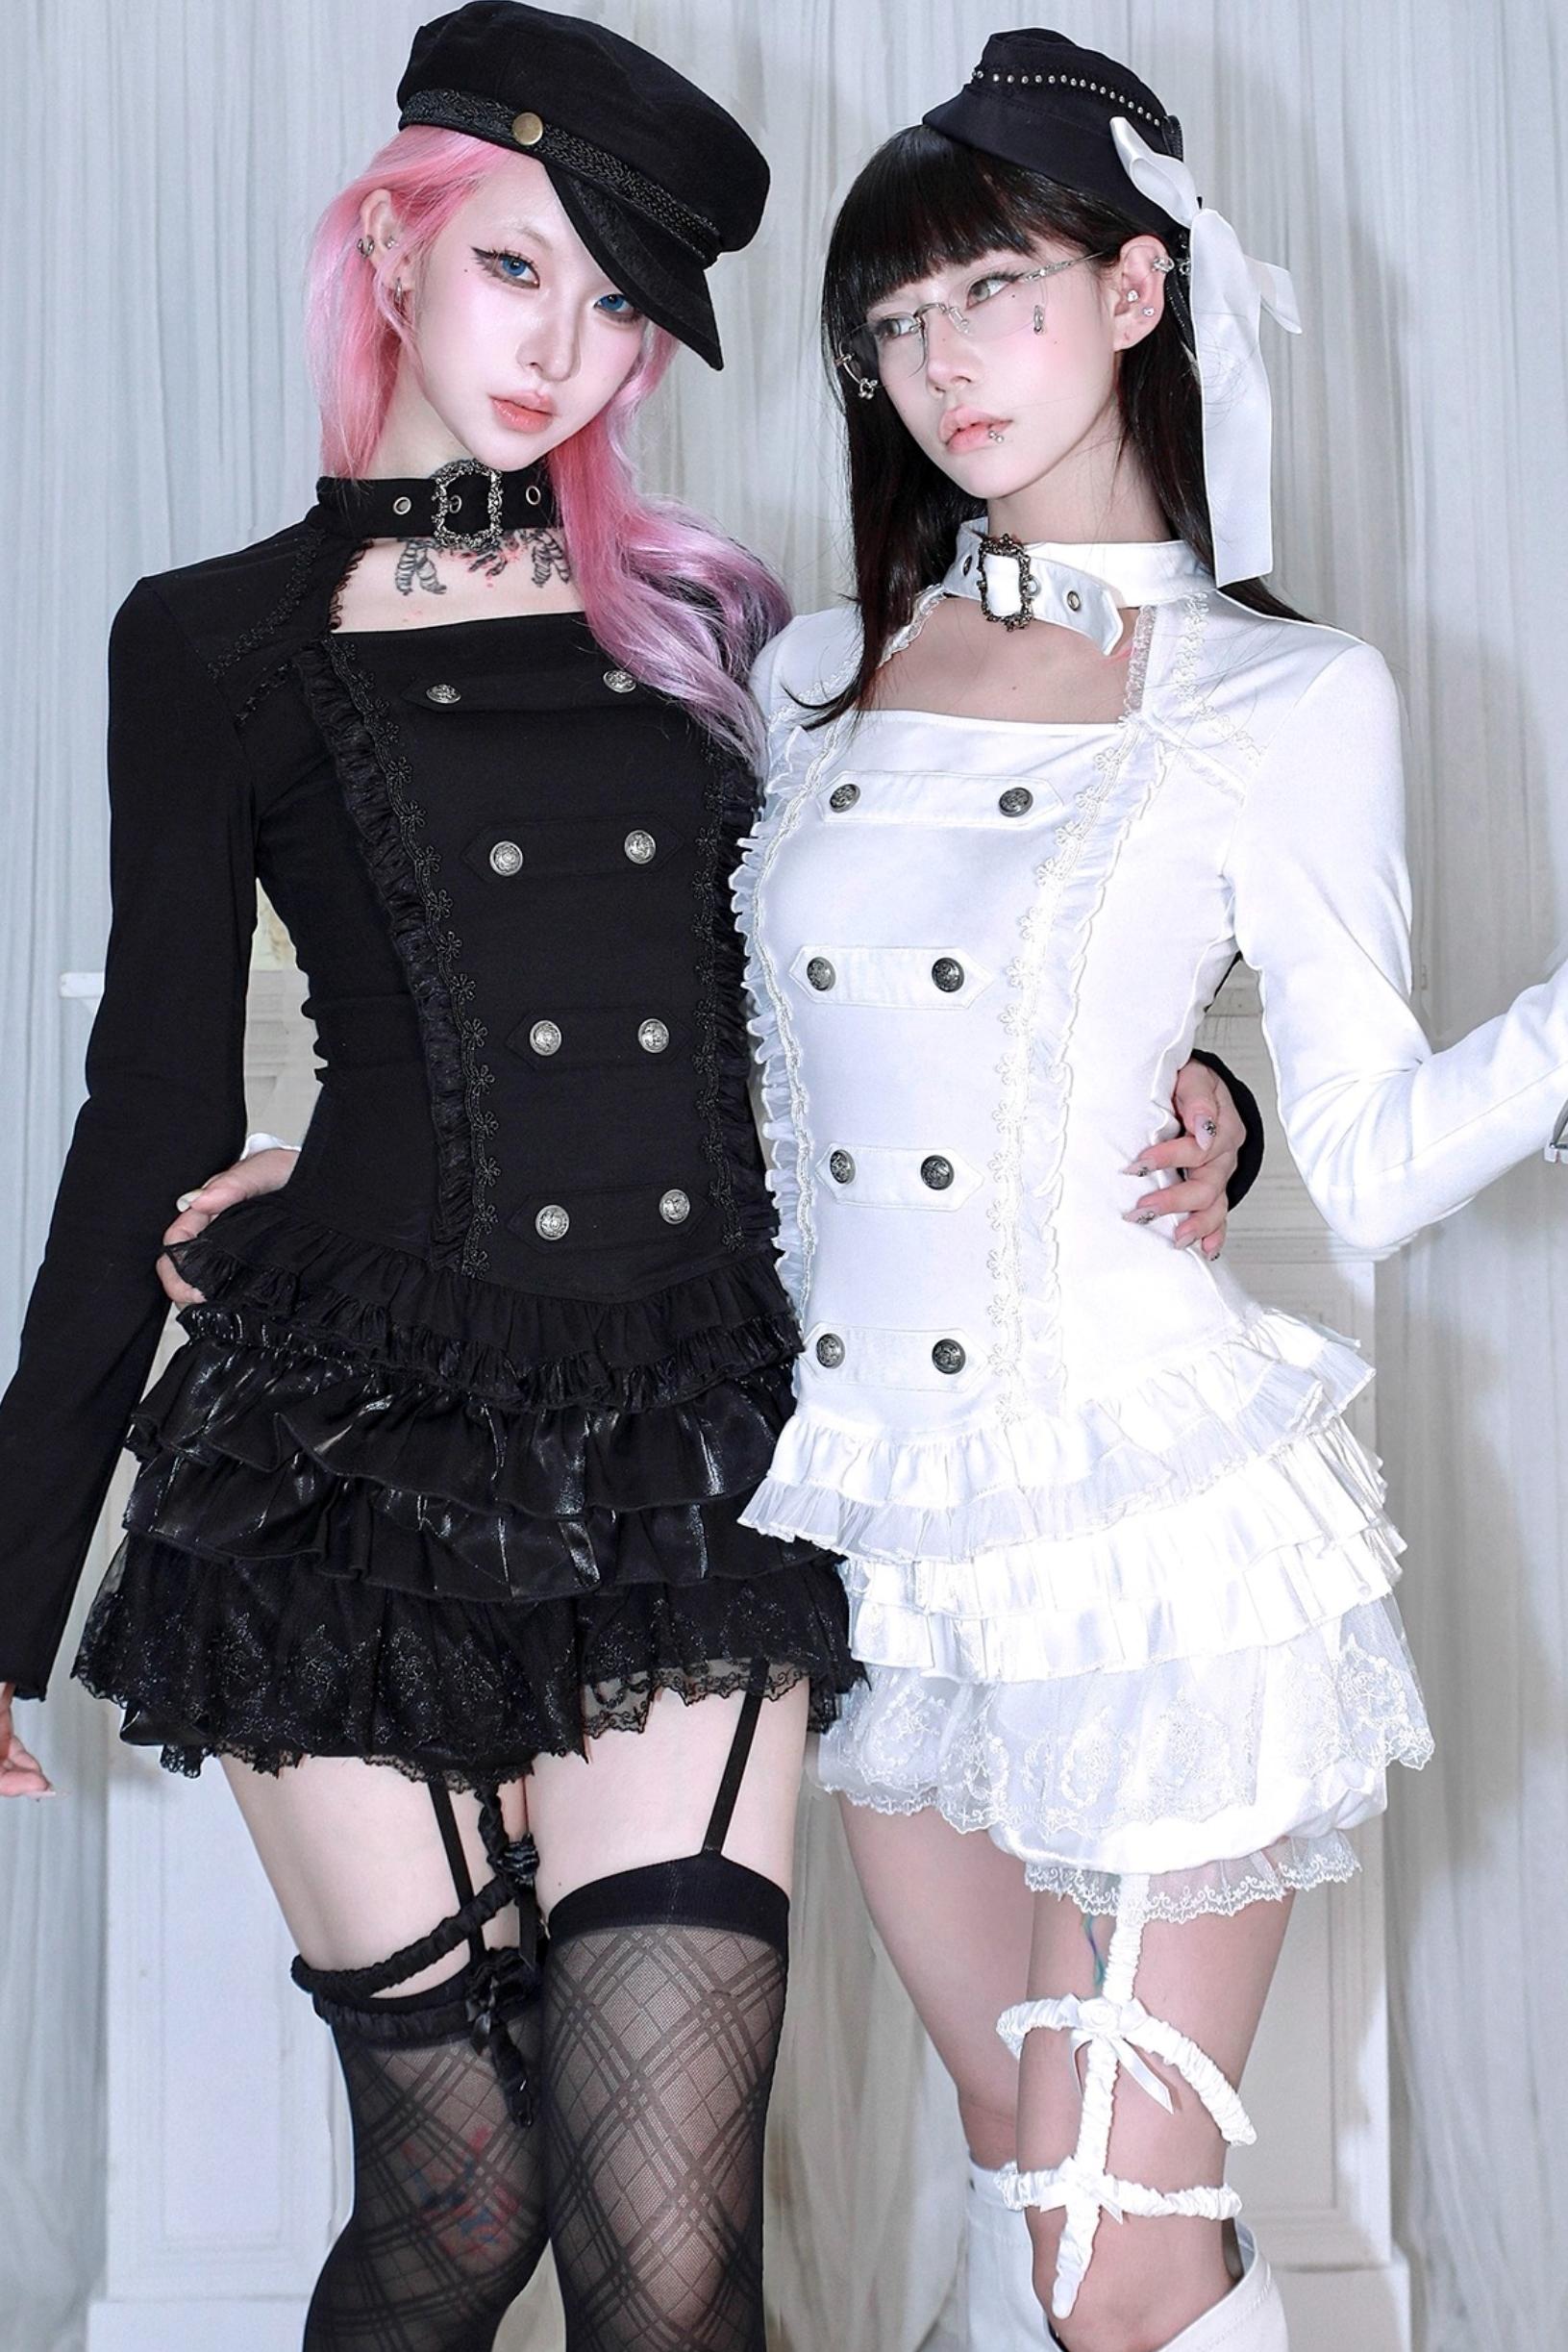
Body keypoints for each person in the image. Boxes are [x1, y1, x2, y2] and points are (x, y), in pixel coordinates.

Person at [0, 8, 1260, 2345]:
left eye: (616, 310)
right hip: (339, 1455)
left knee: (672, 2255)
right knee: (459, 2205)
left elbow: (950, 950)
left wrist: (1214, 1102)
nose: (560, 352)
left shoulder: (721, 627)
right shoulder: (212, 642)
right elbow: (140, 1111)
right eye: (517, 272)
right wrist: (2, 1577)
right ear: (394, 247)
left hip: (690, 1452)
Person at [730, 28, 1568, 2352]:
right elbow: (779, 1091)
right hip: (897, 1537)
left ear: (1132, 291)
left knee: (1111, 2247)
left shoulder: (1282, 693)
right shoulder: (815, 674)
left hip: (1155, 1528)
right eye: (894, 321)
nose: (940, 364)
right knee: (1044, 2197)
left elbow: (1375, 1158)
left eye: (993, 291)